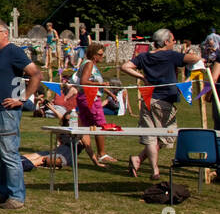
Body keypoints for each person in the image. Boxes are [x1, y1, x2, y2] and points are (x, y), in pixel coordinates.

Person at [120, 29, 201, 181]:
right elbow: (195, 58)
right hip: (164, 101)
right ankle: (154, 170)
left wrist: (142, 77)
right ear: (165, 42)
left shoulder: (144, 56)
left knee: (153, 136)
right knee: (166, 136)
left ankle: (141, 161)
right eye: (172, 40)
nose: (174, 43)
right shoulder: (171, 56)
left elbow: (125, 67)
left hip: (148, 99)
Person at [0, 19, 42, 209]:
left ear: (5, 33)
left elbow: (36, 74)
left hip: (8, 111)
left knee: (9, 154)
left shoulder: (14, 52)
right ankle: (3, 191)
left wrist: (23, 98)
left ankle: (17, 196)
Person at [74, 42, 117, 165]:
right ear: (93, 55)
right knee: (101, 124)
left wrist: (109, 93)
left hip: (84, 97)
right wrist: (101, 85)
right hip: (90, 98)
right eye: (100, 54)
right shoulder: (89, 64)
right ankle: (101, 154)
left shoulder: (87, 64)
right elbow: (84, 81)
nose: (102, 57)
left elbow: (92, 81)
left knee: (88, 126)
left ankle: (88, 153)